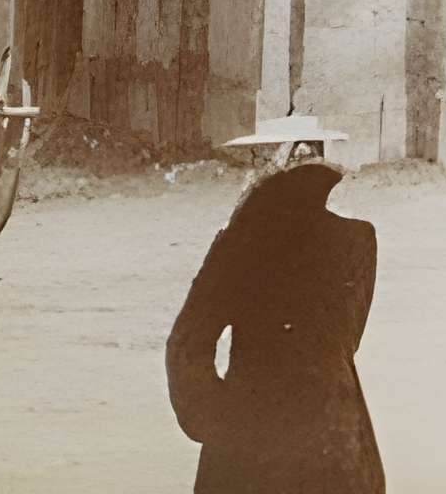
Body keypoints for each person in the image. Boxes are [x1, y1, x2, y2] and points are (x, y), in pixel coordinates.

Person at [165, 114, 385, 492]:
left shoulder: (237, 245)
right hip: (335, 429)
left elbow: (186, 343)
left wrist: (212, 417)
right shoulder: (357, 238)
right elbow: (349, 336)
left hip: (252, 426)